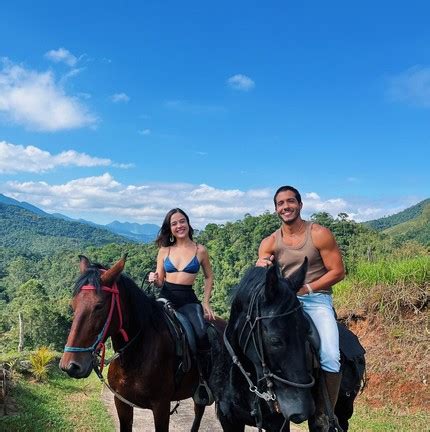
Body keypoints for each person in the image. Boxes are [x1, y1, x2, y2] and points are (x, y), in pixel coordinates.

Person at [256, 185, 345, 417]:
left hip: (316, 300)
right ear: (276, 209)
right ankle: (267, 403)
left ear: (300, 204)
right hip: (283, 304)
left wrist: (307, 288)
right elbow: (263, 270)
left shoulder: (318, 234)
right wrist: (262, 266)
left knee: (330, 354)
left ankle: (326, 416)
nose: (286, 207)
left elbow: (337, 271)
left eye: (290, 201)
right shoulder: (269, 242)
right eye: (281, 203)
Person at [149, 208, 215, 404]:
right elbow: (161, 280)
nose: (179, 226)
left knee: (202, 335)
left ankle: (203, 380)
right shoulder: (164, 250)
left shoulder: (200, 250)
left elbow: (208, 276)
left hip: (188, 299)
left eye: (182, 221)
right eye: (174, 223)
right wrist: (154, 279)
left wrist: (205, 302)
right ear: (169, 229)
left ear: (188, 223)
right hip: (165, 297)